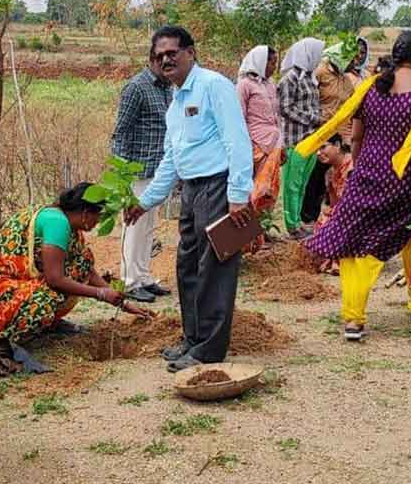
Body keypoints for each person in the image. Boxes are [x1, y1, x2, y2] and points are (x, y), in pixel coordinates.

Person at [301, 31, 411, 341]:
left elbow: (356, 137)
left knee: (358, 246)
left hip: (368, 176)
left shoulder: (370, 88)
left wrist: (359, 170)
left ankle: (353, 321)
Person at [124, 26, 254, 372]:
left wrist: (238, 194)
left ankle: (209, 350)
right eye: (158, 55)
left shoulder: (213, 86)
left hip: (219, 187)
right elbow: (171, 159)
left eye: (172, 53)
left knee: (214, 269)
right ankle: (193, 339)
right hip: (192, 191)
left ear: (190, 53)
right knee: (187, 267)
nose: (165, 59)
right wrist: (146, 201)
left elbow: (237, 140)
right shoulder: (175, 102)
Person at [0, 183, 153, 374]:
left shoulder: (66, 221)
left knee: (80, 262)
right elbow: (55, 279)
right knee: (47, 297)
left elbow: (86, 270)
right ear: (85, 212)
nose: (97, 223)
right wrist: (100, 294)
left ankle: (47, 324)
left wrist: (123, 304)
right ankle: (2, 345)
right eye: (98, 216)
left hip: (11, 283)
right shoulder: (57, 223)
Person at [110, 53, 175, 303]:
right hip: (137, 171)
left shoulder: (167, 89)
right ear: (151, 59)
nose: (166, 63)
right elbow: (120, 132)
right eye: (161, 59)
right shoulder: (136, 87)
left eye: (170, 59)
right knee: (135, 227)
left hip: (158, 171)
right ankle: (130, 281)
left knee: (149, 227)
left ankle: (144, 276)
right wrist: (122, 176)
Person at [305, 38, 367, 225]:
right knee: (315, 175)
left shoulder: (345, 77)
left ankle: (330, 214)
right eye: (350, 57)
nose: (354, 60)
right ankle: (307, 214)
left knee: (334, 175)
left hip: (341, 133)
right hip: (322, 129)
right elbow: (309, 98)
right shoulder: (321, 71)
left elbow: (351, 104)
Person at [235, 45, 283, 249]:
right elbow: (239, 118)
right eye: (271, 62)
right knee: (254, 193)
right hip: (256, 146)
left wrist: (282, 145)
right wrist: (245, 146)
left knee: (268, 193)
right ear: (260, 62)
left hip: (273, 144)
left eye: (275, 62)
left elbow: (276, 116)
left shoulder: (271, 84)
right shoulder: (244, 85)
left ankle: (262, 232)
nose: (274, 66)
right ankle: (248, 239)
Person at [277, 37, 325, 236]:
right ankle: (291, 224)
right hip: (295, 140)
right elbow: (285, 108)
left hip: (311, 139)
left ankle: (297, 221)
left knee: (303, 183)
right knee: (292, 185)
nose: (319, 58)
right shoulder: (290, 79)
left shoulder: (310, 78)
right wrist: (314, 119)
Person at [312, 134, 353, 274]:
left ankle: (337, 260)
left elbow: (353, 202)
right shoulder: (330, 173)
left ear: (337, 145)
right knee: (324, 218)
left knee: (337, 219)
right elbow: (334, 203)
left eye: (323, 147)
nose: (318, 153)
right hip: (344, 212)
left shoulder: (352, 166)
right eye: (316, 149)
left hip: (361, 213)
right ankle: (333, 258)